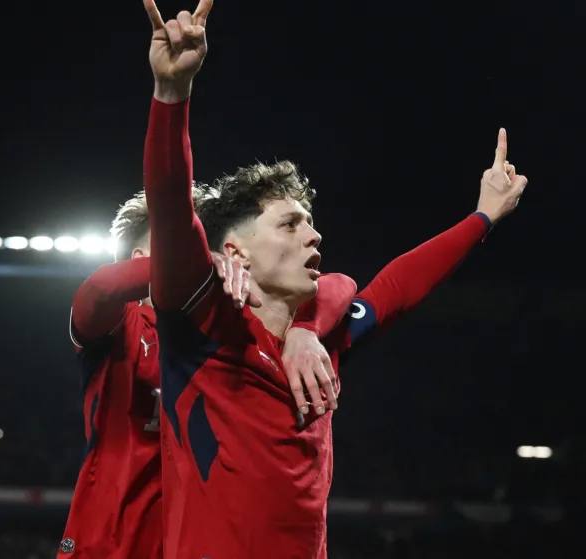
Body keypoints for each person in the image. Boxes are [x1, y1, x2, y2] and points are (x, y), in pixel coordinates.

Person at [140, 1, 529, 557]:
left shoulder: (324, 344)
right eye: (290, 224)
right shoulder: (201, 320)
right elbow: (172, 204)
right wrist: (172, 95)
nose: (313, 237)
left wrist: (483, 216)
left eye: (313, 225)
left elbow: (392, 289)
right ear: (235, 252)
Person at [56, 189, 356, 558]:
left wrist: (304, 327)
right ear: (141, 258)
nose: (199, 251)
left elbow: (339, 283)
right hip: (107, 544)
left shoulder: (225, 331)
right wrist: (189, 263)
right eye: (182, 244)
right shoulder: (120, 327)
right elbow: (98, 289)